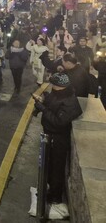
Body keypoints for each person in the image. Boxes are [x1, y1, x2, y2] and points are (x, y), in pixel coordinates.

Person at [32, 72, 83, 219]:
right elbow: (52, 104)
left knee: (57, 168)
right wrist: (43, 100)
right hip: (49, 136)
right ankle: (48, 188)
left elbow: (59, 122)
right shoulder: (58, 94)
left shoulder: (70, 102)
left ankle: (55, 197)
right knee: (48, 165)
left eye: (54, 85)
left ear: (61, 86)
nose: (52, 87)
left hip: (58, 139)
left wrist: (42, 108)